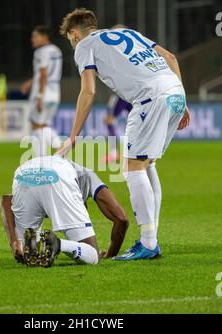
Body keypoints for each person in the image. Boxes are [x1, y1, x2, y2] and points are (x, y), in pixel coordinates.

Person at [57, 8, 191, 260]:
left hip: (150, 97)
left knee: (132, 167)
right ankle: (150, 237)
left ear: (74, 33)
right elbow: (171, 58)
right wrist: (181, 99)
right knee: (146, 163)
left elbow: (88, 91)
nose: (72, 42)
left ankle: (149, 243)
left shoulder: (84, 45)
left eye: (70, 38)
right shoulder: (127, 32)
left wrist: (73, 135)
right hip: (175, 90)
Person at [0, 155, 129, 267]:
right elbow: (121, 219)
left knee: (30, 254)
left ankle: (24, 245)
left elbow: (6, 200)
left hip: (24, 172)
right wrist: (109, 255)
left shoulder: (68, 168)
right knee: (92, 255)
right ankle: (58, 244)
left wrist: (14, 241)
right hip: (59, 175)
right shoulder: (87, 175)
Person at [20, 26, 62, 157]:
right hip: (55, 92)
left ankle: (40, 160)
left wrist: (39, 95)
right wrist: (31, 82)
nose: (32, 39)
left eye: (35, 36)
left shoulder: (41, 52)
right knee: (44, 125)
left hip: (43, 92)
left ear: (45, 37)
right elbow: (44, 73)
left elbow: (44, 74)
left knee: (36, 126)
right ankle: (60, 147)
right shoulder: (56, 50)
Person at [102, 95, 132, 163]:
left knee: (108, 119)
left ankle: (114, 153)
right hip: (131, 94)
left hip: (122, 94)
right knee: (137, 120)